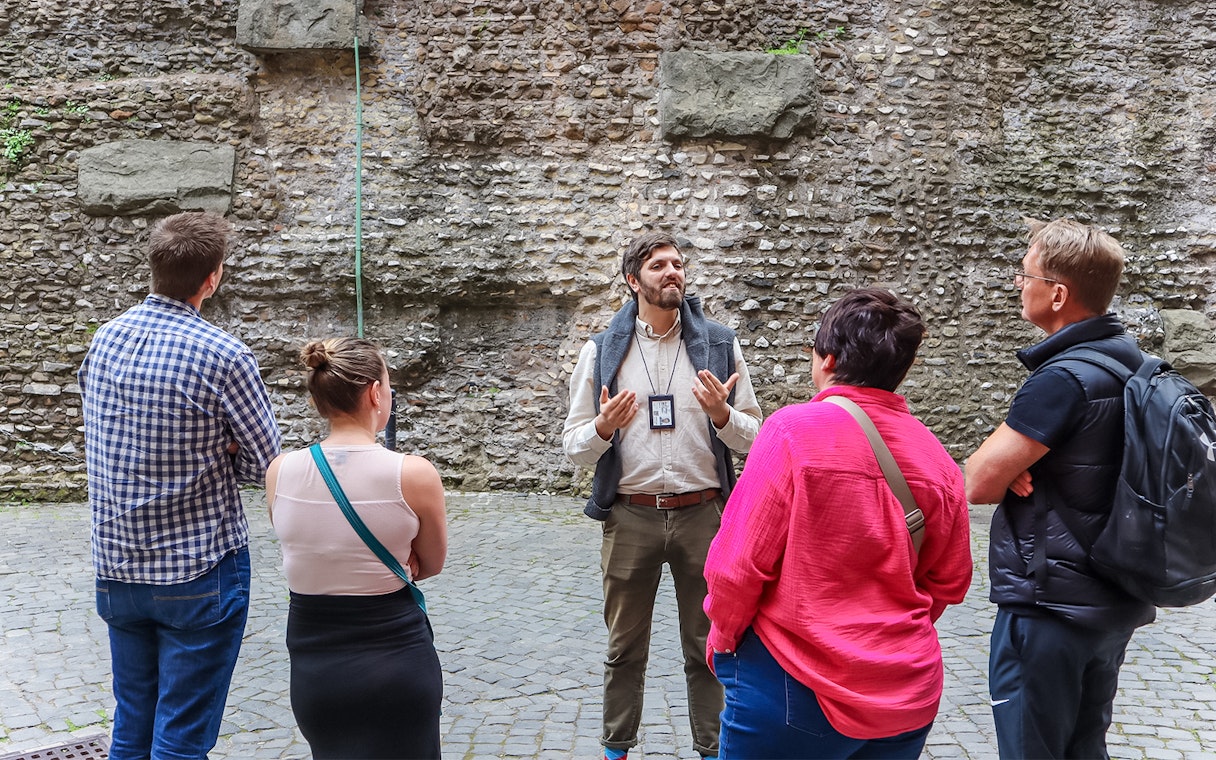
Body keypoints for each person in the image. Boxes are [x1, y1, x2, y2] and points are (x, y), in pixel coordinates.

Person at [702, 288, 973, 759]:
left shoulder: (791, 432)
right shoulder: (939, 461)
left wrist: (724, 646)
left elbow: (737, 567)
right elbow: (949, 582)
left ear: (826, 359)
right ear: (901, 369)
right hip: (907, 693)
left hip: (792, 683)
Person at [79, 211, 281, 760]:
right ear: (211, 278)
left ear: (154, 266)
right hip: (197, 568)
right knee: (182, 737)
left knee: (132, 722)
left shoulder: (105, 341)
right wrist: (227, 454)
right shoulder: (223, 355)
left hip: (116, 565)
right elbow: (268, 465)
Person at [562, 230, 762, 760]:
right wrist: (603, 427)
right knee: (624, 649)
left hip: (705, 515)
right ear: (633, 281)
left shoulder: (720, 345)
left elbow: (756, 436)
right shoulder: (602, 351)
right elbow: (574, 446)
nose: (672, 272)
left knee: (710, 646)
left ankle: (714, 749)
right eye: (658, 266)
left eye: (677, 264)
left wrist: (722, 414)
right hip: (631, 516)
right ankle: (616, 748)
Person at [965, 219, 1157, 759]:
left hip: (1051, 604)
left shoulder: (1061, 378)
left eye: (1024, 274)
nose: (1018, 285)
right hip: (1112, 595)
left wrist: (1010, 468)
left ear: (1057, 292)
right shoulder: (1134, 363)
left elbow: (977, 481)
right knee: (1084, 748)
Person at [266, 337, 447, 760]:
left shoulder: (281, 471)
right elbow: (431, 563)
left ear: (318, 402)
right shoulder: (414, 475)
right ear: (375, 393)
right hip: (397, 661)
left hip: (317, 672)